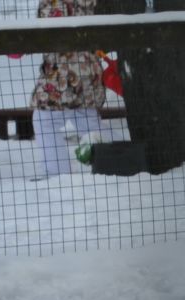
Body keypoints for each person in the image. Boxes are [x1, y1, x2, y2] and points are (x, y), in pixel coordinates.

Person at [28, 0, 107, 179]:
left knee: (44, 119)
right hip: (88, 68)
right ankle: (117, 159)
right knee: (86, 120)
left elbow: (47, 32)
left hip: (64, 72)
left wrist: (22, 43)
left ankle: (56, 172)